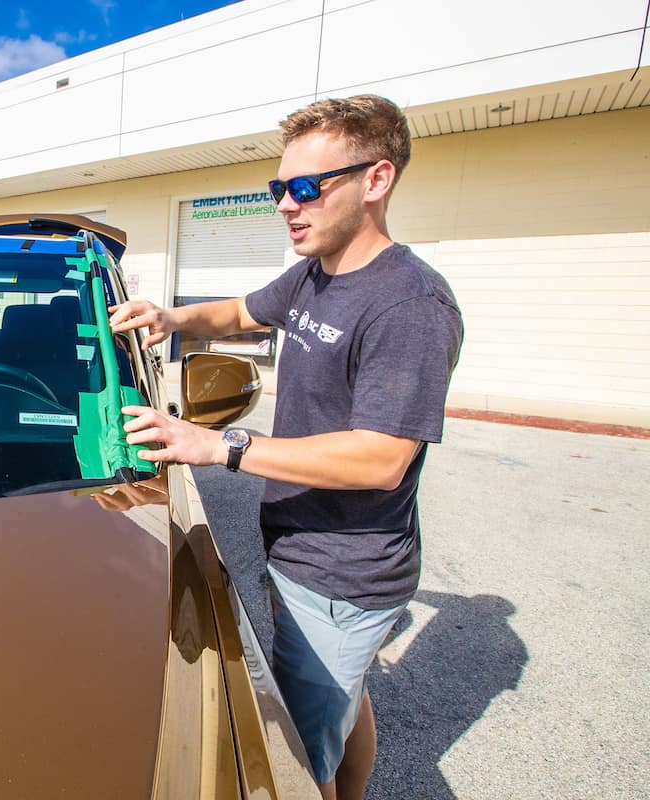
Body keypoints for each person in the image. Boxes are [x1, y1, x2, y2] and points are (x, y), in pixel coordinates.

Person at [110, 94, 463, 800]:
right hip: (302, 548)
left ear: (376, 179)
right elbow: (243, 312)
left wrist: (222, 446)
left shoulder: (409, 305)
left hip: (342, 574)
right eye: (279, 188)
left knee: (296, 756)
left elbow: (381, 456)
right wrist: (174, 314)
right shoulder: (314, 272)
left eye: (306, 187)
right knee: (340, 700)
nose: (285, 205)